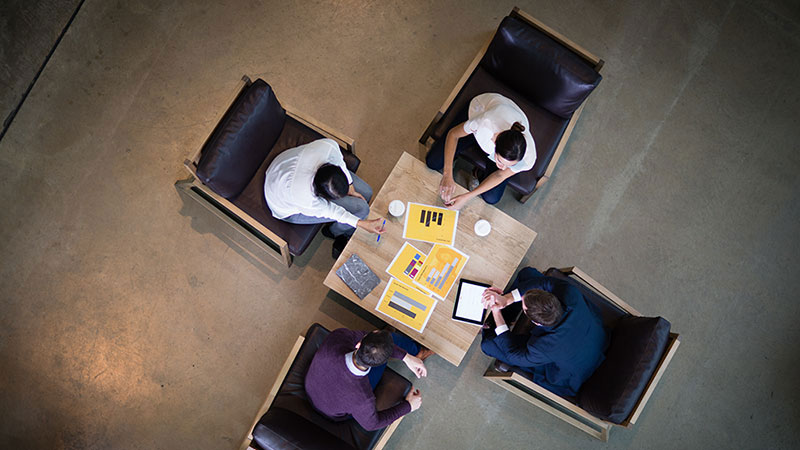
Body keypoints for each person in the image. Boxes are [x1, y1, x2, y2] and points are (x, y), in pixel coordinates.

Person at [480, 268, 608, 397]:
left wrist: (496, 312)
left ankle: (493, 317)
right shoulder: (569, 293)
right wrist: (507, 299)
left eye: (524, 307)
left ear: (537, 323)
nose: (523, 297)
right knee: (528, 274)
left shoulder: (544, 347)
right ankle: (504, 309)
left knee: (488, 345)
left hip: (572, 369)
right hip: (591, 335)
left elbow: (513, 354)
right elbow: (546, 283)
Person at [264, 138, 385, 254]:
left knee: (367, 192)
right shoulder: (306, 198)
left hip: (283, 164)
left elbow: (339, 161)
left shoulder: (327, 147)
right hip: (282, 203)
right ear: (321, 196)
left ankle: (344, 227)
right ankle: (333, 232)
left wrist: (350, 185)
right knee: (362, 209)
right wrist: (361, 224)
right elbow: (332, 211)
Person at [425, 93, 536, 210]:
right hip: (480, 110)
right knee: (433, 162)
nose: (503, 168)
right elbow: (453, 134)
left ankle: (478, 172)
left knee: (491, 197)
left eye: (509, 165)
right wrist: (447, 174)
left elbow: (500, 174)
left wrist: (466, 197)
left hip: (503, 126)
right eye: (500, 161)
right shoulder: (484, 124)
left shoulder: (528, 157)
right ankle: (455, 156)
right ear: (494, 145)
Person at [305, 328, 431, 431]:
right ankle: (419, 352)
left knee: (380, 345)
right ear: (381, 363)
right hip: (333, 415)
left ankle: (382, 342)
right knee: (392, 339)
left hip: (311, 388)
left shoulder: (337, 337)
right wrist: (409, 406)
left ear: (359, 344)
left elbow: (361, 333)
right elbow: (372, 425)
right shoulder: (363, 398)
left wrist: (406, 357)